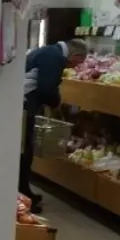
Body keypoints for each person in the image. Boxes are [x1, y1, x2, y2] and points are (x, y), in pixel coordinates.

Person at [19, 39, 88, 213]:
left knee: (24, 150)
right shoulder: (54, 57)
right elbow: (46, 88)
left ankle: (24, 192)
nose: (74, 67)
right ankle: (22, 198)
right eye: (77, 63)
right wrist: (56, 103)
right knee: (24, 151)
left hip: (23, 101)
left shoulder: (50, 52)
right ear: (75, 55)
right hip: (25, 102)